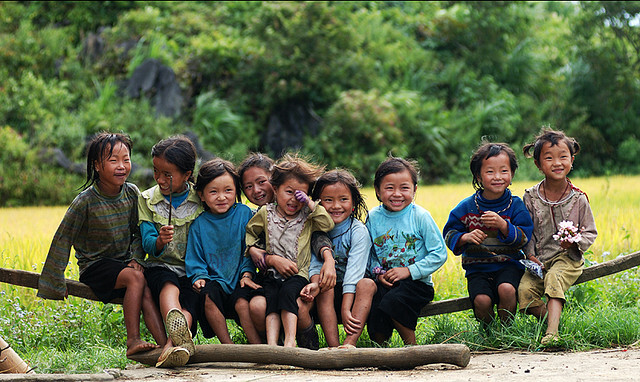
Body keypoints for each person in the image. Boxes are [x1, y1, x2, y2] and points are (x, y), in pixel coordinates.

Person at [37, 132, 165, 357]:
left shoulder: (132, 193)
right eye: (113, 160)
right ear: (97, 165)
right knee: (136, 278)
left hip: (123, 265)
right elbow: (63, 238)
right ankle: (133, 340)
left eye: (126, 160)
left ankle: (167, 347)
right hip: (94, 267)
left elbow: (138, 232)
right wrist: (54, 282)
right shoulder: (85, 201)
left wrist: (136, 258)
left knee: (142, 284)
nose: (122, 166)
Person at [238, 152, 336, 347]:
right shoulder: (266, 213)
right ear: (276, 190)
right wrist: (253, 249)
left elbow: (327, 224)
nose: (294, 200)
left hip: (297, 274)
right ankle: (273, 345)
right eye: (289, 192)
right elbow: (250, 231)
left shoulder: (307, 215)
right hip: (271, 275)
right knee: (270, 303)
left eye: (300, 195)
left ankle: (290, 343)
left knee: (287, 297)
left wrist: (309, 203)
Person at [518, 129, 597, 345]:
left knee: (554, 278)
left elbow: (590, 231)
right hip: (539, 260)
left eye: (563, 157)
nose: (557, 163)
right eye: (549, 158)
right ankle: (552, 323)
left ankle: (552, 335)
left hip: (568, 259)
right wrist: (531, 255)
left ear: (572, 160)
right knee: (524, 291)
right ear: (537, 164)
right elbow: (528, 231)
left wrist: (574, 242)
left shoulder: (578, 199)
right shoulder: (531, 197)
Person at [442, 142, 533, 327]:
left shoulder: (515, 205)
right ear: (478, 175)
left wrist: (503, 225)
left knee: (507, 290)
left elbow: (523, 238)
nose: (497, 177)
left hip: (509, 265)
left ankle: (506, 329)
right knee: (482, 301)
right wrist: (465, 237)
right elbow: (449, 233)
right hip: (478, 269)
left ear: (512, 174)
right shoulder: (466, 207)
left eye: (504, 171)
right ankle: (490, 332)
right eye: (490, 172)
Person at [136, 135, 203, 367]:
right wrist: (159, 241)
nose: (160, 179)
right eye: (156, 171)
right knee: (168, 284)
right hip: (160, 265)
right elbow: (147, 243)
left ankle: (170, 347)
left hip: (193, 270)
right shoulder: (147, 200)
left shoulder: (201, 199)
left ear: (187, 175)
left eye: (168, 174)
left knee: (191, 305)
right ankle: (173, 336)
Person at [366, 156, 447, 346]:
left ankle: (411, 347)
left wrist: (409, 271)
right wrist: (378, 274)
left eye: (404, 188)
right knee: (376, 305)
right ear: (377, 190)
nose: (397, 194)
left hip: (417, 284)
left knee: (395, 301)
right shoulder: (373, 217)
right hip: (385, 281)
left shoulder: (420, 216)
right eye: (389, 188)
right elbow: (369, 253)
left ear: (415, 189)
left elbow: (439, 254)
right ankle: (380, 350)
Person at [185, 158, 261, 344]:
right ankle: (228, 346)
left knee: (243, 305)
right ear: (202, 195)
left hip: (241, 277)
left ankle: (258, 348)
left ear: (236, 191)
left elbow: (250, 247)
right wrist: (199, 276)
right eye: (213, 192)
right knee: (208, 297)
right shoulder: (199, 225)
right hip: (215, 280)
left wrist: (247, 273)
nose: (221, 197)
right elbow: (195, 257)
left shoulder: (244, 214)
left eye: (228, 190)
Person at [300, 169, 376, 349]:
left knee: (367, 284)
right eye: (328, 200)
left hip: (354, 290)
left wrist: (345, 307)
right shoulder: (314, 227)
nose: (336, 206)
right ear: (317, 203)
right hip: (327, 286)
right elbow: (314, 261)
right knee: (326, 287)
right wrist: (316, 283)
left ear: (354, 203)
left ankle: (349, 343)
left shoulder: (357, 231)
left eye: (343, 199)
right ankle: (334, 347)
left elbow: (355, 272)